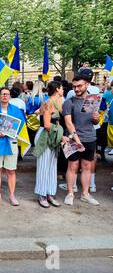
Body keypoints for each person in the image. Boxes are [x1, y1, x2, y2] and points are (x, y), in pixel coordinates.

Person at [0, 87, 29, 206]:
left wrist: (9, 132)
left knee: (11, 170)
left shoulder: (16, 110)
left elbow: (21, 126)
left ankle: (12, 195)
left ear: (10, 96)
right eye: (2, 94)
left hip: (11, 143)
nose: (5, 96)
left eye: (7, 94)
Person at [62, 73, 101, 206]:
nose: (77, 89)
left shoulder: (93, 100)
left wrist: (96, 117)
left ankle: (85, 194)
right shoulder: (69, 102)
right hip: (73, 139)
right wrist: (77, 139)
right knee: (72, 166)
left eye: (80, 86)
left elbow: (95, 122)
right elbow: (68, 123)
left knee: (86, 166)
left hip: (90, 137)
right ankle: (70, 193)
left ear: (87, 84)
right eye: (74, 86)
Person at [33, 81, 67, 208]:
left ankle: (50, 194)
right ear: (58, 89)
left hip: (53, 136)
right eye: (62, 88)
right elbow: (47, 125)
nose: (63, 90)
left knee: (52, 167)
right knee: (43, 166)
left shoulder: (57, 102)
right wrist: (61, 135)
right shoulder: (48, 103)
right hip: (45, 137)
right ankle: (42, 195)